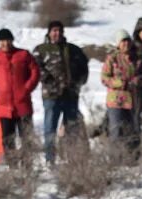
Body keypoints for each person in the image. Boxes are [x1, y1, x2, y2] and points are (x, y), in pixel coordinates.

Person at [33, 20, 89, 164]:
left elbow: (84, 68)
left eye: (59, 30)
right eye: (54, 30)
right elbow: (35, 69)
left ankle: (72, 159)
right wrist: (50, 81)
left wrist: (78, 83)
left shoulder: (73, 50)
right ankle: (49, 160)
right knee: (49, 129)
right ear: (49, 32)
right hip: (52, 96)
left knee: (72, 129)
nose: (56, 33)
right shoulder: (41, 49)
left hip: (71, 95)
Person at [0, 28, 40, 151]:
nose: (5, 43)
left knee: (27, 138)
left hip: (23, 105)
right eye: (2, 41)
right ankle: (13, 167)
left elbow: (35, 71)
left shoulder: (24, 55)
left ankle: (27, 166)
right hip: (4, 107)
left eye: (8, 40)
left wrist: (27, 88)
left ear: (12, 40)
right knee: (8, 140)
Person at [101, 29, 142, 155]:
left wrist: (139, 80)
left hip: (134, 100)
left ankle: (133, 160)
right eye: (123, 41)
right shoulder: (112, 59)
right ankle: (115, 161)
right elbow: (104, 78)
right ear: (118, 44)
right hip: (116, 101)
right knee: (116, 131)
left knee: (134, 131)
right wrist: (120, 83)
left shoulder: (138, 59)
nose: (125, 44)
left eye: (127, 41)